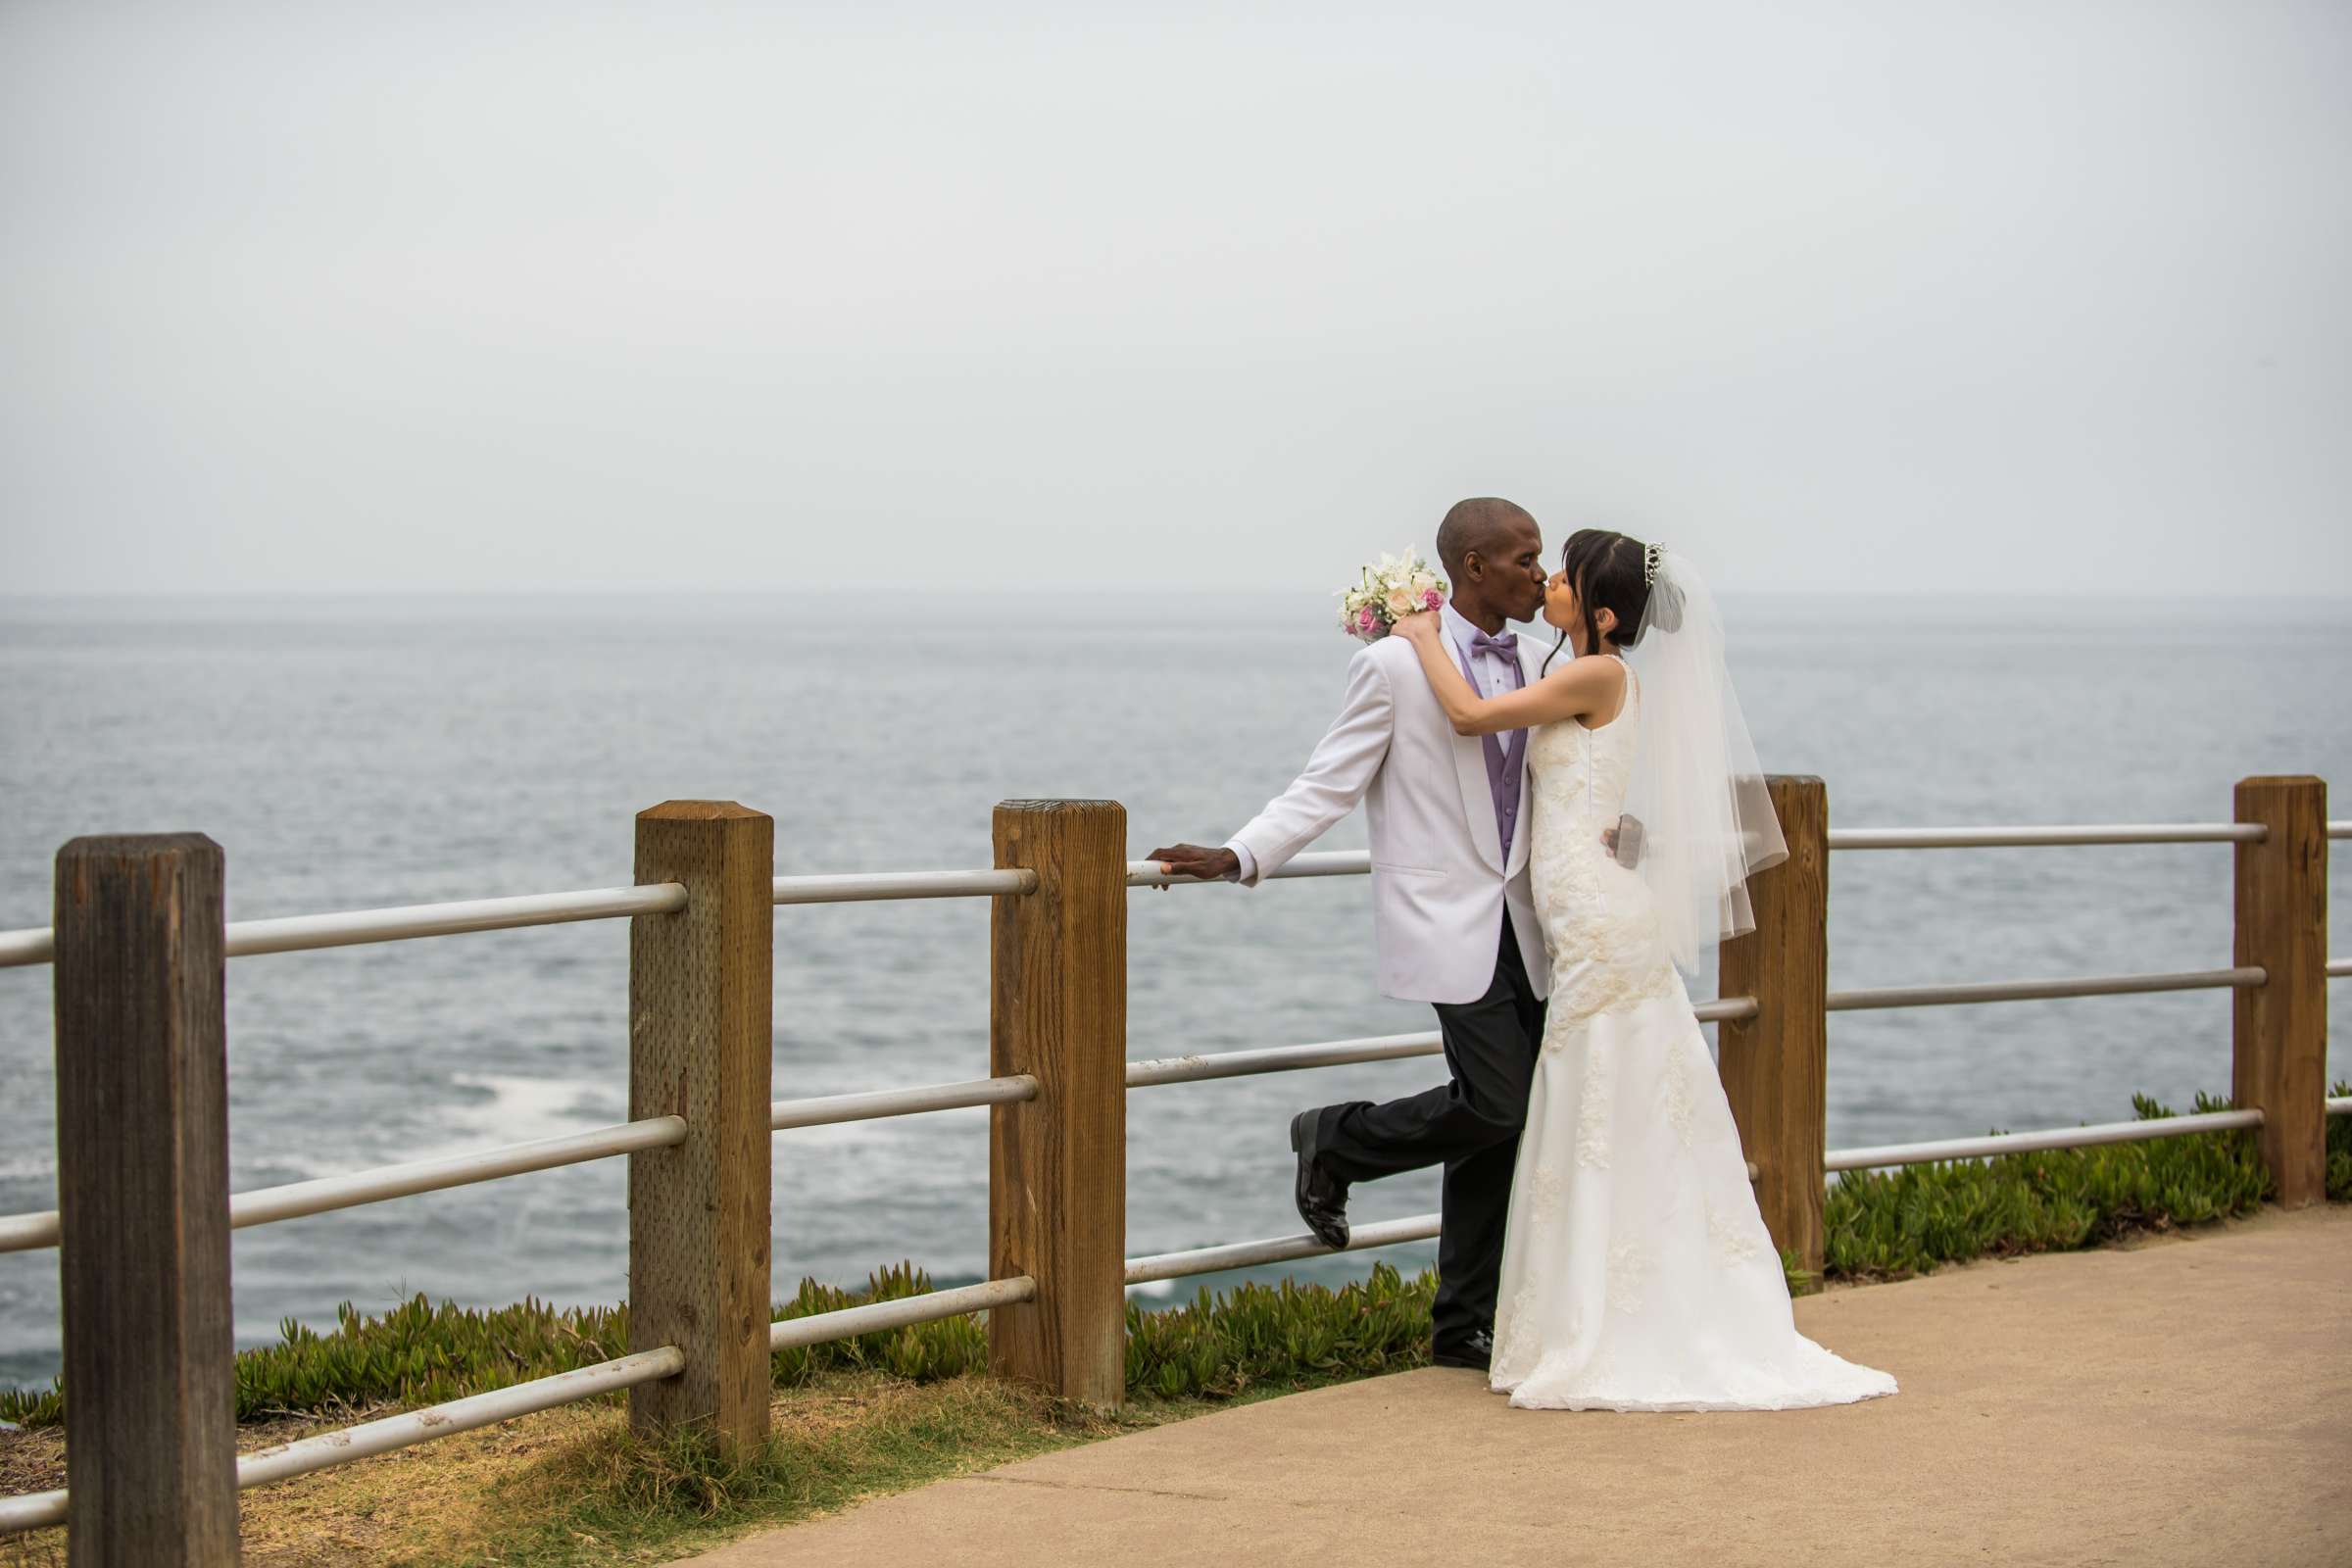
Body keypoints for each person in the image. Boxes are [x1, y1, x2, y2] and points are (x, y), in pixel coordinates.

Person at [1390, 530, 1895, 1410]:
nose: (1549, 583)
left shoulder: (1601, 672)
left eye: (1565, 577)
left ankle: (1612, 1309)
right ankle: (1600, 1298)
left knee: (1599, 1092)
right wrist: (1635, 836)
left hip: (1595, 921)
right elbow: (1612, 785)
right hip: (1589, 909)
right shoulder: (1593, 675)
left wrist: (1421, 634)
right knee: (1604, 1095)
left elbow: (1470, 718)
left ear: (1605, 613)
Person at [1148, 496, 1554, 1371]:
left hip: (1531, 922)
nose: (1539, 572)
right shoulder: (1393, 667)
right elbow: (1326, 783)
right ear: (1472, 566)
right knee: (1497, 1103)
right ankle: (1336, 1137)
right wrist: (1241, 853)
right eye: (1523, 558)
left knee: (1505, 1129)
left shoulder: (1535, 658)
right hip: (1448, 918)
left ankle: (1461, 1326)